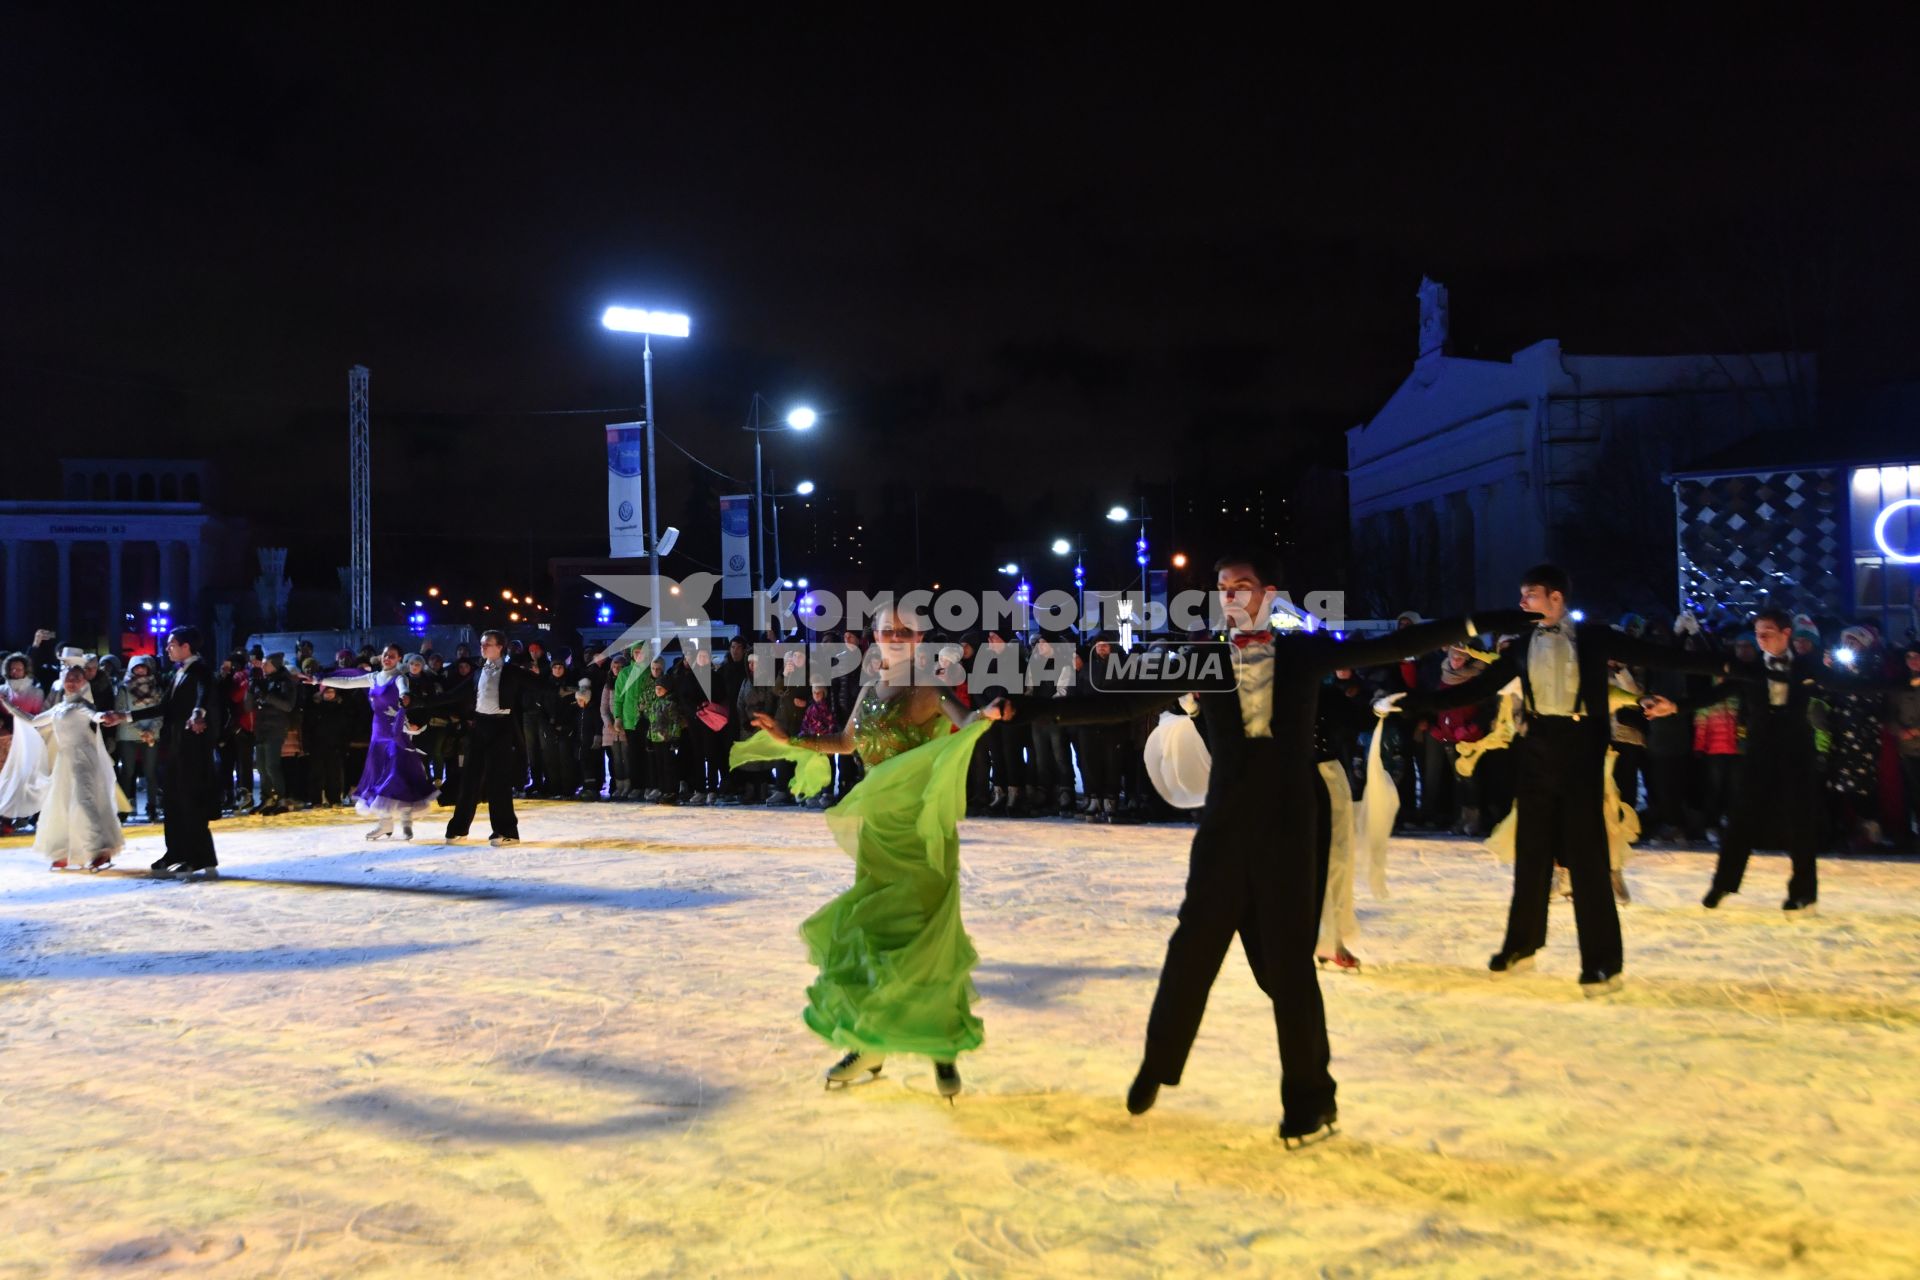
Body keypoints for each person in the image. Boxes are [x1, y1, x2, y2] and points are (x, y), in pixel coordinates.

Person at [1011, 553, 1537, 1145]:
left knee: (1289, 970)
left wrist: (1480, 623)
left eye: (1243, 587)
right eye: (1223, 590)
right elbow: (1119, 704)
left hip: (1289, 825)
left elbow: (1394, 646)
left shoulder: (1304, 653)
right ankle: (1158, 1066)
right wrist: (1021, 710)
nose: (1232, 597)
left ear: (1268, 594)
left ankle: (1312, 1101)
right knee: (1191, 950)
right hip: (1225, 828)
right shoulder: (1203, 659)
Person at [1395, 565, 1731, 994]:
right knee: (1531, 851)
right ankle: (1522, 944)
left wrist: (1723, 663)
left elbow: (1660, 657)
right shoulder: (1519, 646)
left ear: (1556, 599)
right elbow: (1473, 690)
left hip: (1581, 746)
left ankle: (1603, 962)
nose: (1522, 603)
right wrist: (1415, 702)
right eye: (1521, 595)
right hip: (1537, 746)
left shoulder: (1594, 638)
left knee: (1587, 856)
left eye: (1530, 595)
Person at [733, 601, 1011, 1101]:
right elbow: (844, 743)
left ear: (921, 638)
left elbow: (965, 719)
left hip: (919, 830)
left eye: (905, 631)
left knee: (924, 942)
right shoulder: (868, 688)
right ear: (876, 635)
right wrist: (788, 736)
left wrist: (986, 714)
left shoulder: (930, 685)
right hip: (879, 827)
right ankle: (871, 1042)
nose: (895, 637)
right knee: (874, 937)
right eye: (887, 630)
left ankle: (941, 1046)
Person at [1648, 609, 1910, 911]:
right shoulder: (1750, 668)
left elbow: (1852, 685)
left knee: (1801, 821)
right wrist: (1676, 706)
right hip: (1759, 751)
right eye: (1758, 632)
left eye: (1767, 632)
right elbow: (1718, 693)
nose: (1760, 638)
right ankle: (1723, 885)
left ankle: (1803, 891)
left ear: (1787, 634)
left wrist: (1907, 681)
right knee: (1741, 818)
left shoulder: (1807, 667)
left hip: (1796, 751)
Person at [405, 630, 538, 845]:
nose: (483, 647)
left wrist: (577, 690)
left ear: (500, 647)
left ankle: (507, 832)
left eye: (488, 644)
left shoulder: (512, 671)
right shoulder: (478, 672)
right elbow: (452, 695)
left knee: (498, 782)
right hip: (480, 726)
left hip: (502, 727)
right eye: (482, 644)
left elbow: (544, 685)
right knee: (469, 779)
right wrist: (418, 702)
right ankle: (459, 829)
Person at [109, 627, 221, 877]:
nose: (167, 648)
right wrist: (124, 716)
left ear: (187, 647)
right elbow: (165, 707)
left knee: (190, 800)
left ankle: (199, 857)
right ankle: (176, 851)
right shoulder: (178, 672)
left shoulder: (200, 670)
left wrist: (198, 713)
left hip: (193, 746)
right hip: (176, 746)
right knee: (172, 800)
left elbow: (205, 694)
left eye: (172, 644)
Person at [0, 653, 127, 870]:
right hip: (65, 761)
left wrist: (105, 717)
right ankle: (68, 851)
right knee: (63, 805)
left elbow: (94, 715)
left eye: (77, 678)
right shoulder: (58, 708)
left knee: (85, 801)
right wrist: (6, 704)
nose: (72, 682)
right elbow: (32, 721)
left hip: (84, 759)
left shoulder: (82, 705)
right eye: (69, 677)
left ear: (84, 682)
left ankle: (101, 849)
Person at [303, 645, 438, 840]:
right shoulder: (373, 677)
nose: (387, 659)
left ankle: (406, 820)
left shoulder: (400, 677)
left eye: (392, 656)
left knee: (397, 775)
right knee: (378, 776)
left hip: (395, 732)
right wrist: (320, 679)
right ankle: (385, 823)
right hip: (378, 732)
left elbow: (404, 690)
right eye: (385, 655)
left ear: (399, 659)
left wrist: (404, 697)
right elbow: (347, 682)